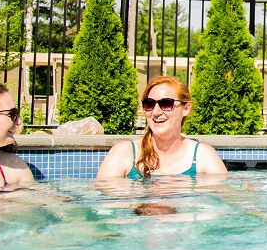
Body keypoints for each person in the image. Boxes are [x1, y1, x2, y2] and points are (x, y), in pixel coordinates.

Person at [97, 75, 228, 179]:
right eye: (149, 104)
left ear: (186, 109)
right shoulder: (125, 153)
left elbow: (224, 203)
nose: (156, 112)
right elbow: (103, 204)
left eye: (166, 104)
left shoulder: (203, 156)